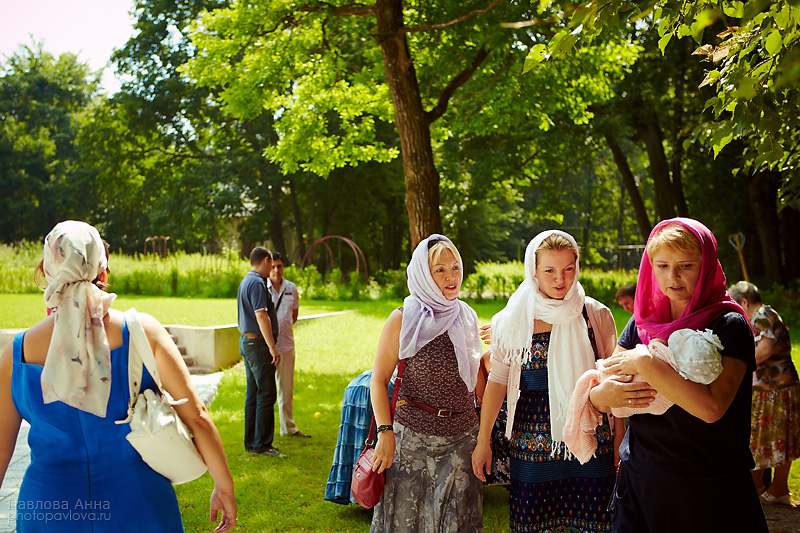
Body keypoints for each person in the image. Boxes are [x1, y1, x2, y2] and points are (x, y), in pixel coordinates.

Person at [0, 220, 236, 532]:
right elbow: (197, 416)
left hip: (48, 509)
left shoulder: (15, 354)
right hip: (139, 505)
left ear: (47, 272)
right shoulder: (143, 332)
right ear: (104, 270)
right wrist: (224, 486)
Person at [589, 218, 768, 532]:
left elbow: (711, 408)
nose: (673, 277)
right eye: (662, 266)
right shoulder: (641, 322)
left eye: (686, 266)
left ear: (707, 265)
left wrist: (646, 364)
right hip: (641, 481)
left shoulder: (728, 324)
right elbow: (606, 388)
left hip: (706, 487)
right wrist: (598, 396)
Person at [472, 230, 620, 533]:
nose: (560, 279)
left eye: (568, 269)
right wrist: (483, 440)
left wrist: (619, 443)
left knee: (595, 523)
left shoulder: (595, 314)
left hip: (592, 444)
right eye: (550, 270)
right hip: (530, 446)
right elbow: (497, 381)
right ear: (534, 271)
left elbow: (613, 382)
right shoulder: (513, 319)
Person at [370, 234, 484, 532]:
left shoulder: (467, 317)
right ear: (423, 273)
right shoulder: (403, 319)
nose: (451, 277)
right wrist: (384, 432)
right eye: (440, 270)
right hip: (412, 442)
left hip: (462, 441)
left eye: (455, 268)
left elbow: (477, 381)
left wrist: (485, 436)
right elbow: (378, 380)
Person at [729, 280, 800, 504]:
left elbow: (765, 349)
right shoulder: (765, 314)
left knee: (771, 437)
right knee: (769, 437)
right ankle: (768, 486)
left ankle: (774, 488)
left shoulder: (762, 314)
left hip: (775, 388)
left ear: (744, 302)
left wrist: (737, 363)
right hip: (774, 387)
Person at [237, 246, 283, 457]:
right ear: (265, 260)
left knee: (253, 393)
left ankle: (251, 441)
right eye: (271, 264)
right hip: (257, 345)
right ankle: (262, 444)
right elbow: (261, 315)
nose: (272, 268)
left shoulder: (246, 281)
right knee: (266, 393)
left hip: (247, 342)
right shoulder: (257, 283)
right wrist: (272, 347)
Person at [267, 252, 310, 439]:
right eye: (273, 266)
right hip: (268, 347)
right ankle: (265, 432)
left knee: (287, 389)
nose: (276, 270)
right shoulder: (262, 288)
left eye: (279, 266)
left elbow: (294, 315)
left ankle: (288, 427)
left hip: (287, 345)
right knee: (266, 391)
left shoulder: (291, 288)